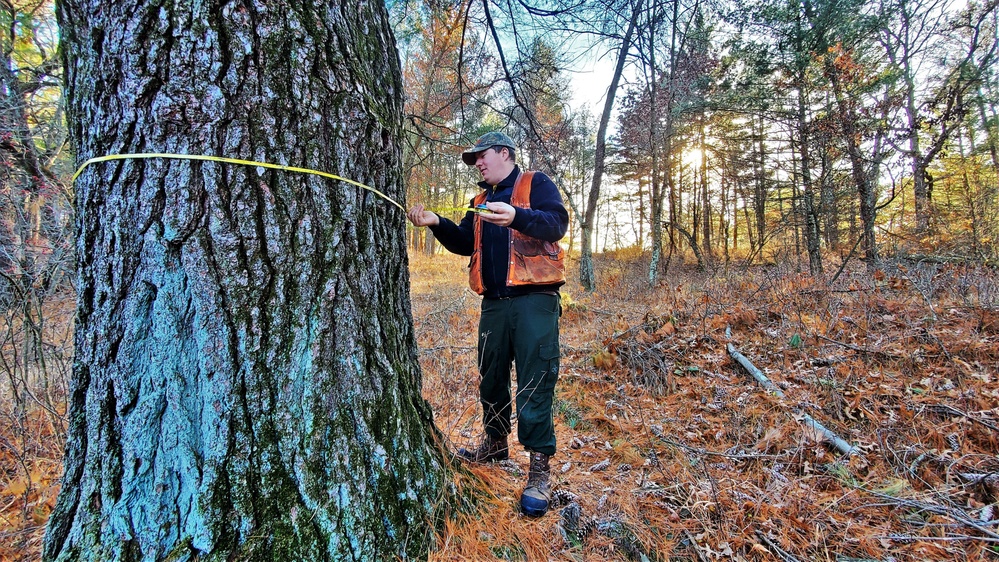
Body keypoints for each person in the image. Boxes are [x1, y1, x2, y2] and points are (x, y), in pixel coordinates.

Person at [407, 131, 569, 517]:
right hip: (493, 305)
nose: (477, 163)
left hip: (534, 301)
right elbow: (465, 241)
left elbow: (556, 223)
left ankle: (538, 472)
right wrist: (435, 222)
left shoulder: (535, 183)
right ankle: (495, 443)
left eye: (482, 156)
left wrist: (518, 216)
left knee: (534, 380)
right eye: (474, 159)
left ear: (504, 154)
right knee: (491, 376)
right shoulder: (480, 200)